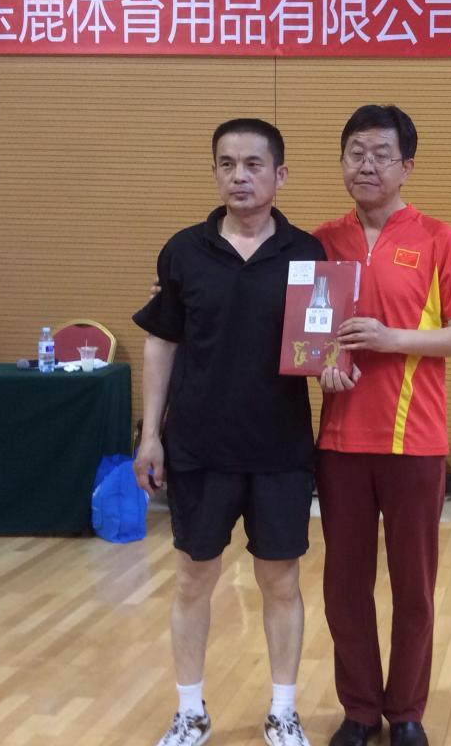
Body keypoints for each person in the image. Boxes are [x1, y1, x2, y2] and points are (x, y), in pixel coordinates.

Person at [133, 118, 324, 746]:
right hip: (198, 446)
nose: (239, 176)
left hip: (280, 448)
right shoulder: (183, 252)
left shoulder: (307, 254)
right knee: (194, 578)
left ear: (280, 175)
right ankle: (190, 711)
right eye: (226, 164)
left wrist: (336, 364)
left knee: (281, 581)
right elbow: (161, 343)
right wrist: (151, 435)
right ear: (214, 172)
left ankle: (283, 711)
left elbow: (320, 348)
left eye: (253, 164)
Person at [315, 105, 451, 746]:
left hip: (414, 440)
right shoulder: (319, 241)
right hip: (339, 442)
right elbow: (306, 335)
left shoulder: (438, 238)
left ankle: (407, 710)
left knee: (415, 586)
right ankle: (360, 709)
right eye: (355, 152)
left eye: (381, 154)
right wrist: (322, 364)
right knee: (344, 585)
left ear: (406, 165)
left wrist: (392, 338)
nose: (367, 165)